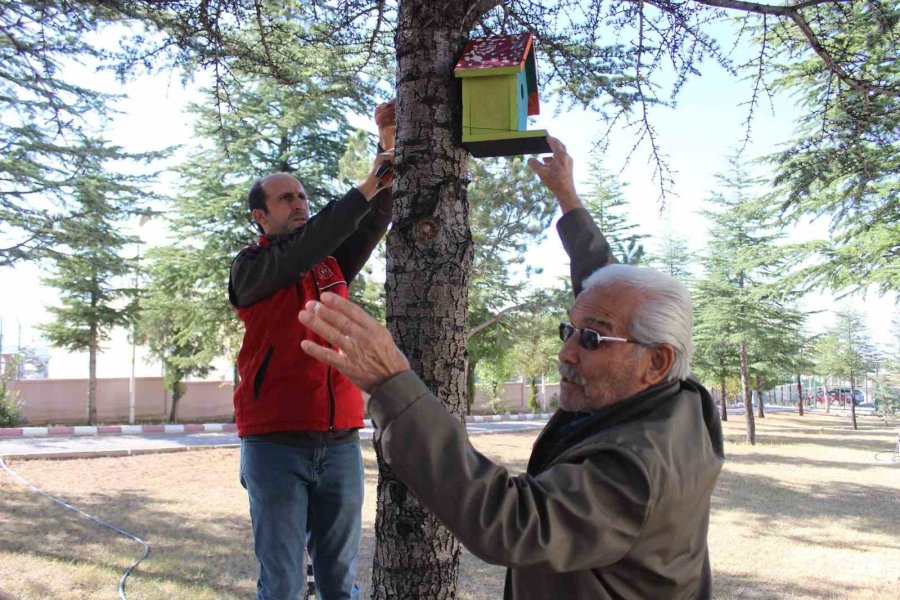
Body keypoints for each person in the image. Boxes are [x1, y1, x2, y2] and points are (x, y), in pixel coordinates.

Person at [297, 136, 725, 599]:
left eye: (593, 339)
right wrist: (568, 199)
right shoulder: (675, 396)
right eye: (570, 330)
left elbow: (514, 523)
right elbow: (608, 289)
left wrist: (390, 384)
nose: (567, 353)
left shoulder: (637, 467)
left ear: (655, 362)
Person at [228, 100, 397, 600]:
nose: (300, 203)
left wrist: (386, 151)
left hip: (341, 442)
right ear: (260, 216)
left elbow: (369, 222)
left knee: (339, 583)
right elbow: (307, 245)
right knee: (281, 584)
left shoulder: (329, 264)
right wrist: (365, 185)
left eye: (302, 195)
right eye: (286, 199)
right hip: (275, 445)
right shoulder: (251, 269)